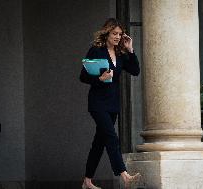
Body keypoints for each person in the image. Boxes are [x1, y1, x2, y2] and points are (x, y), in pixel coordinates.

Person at [79, 18, 141, 189]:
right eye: (114, 33)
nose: (117, 37)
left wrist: (131, 50)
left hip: (113, 104)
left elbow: (135, 71)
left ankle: (87, 181)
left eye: (120, 34)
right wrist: (99, 79)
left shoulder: (121, 54)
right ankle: (124, 175)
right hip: (98, 103)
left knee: (99, 142)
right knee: (111, 137)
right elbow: (83, 77)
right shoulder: (96, 51)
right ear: (106, 33)